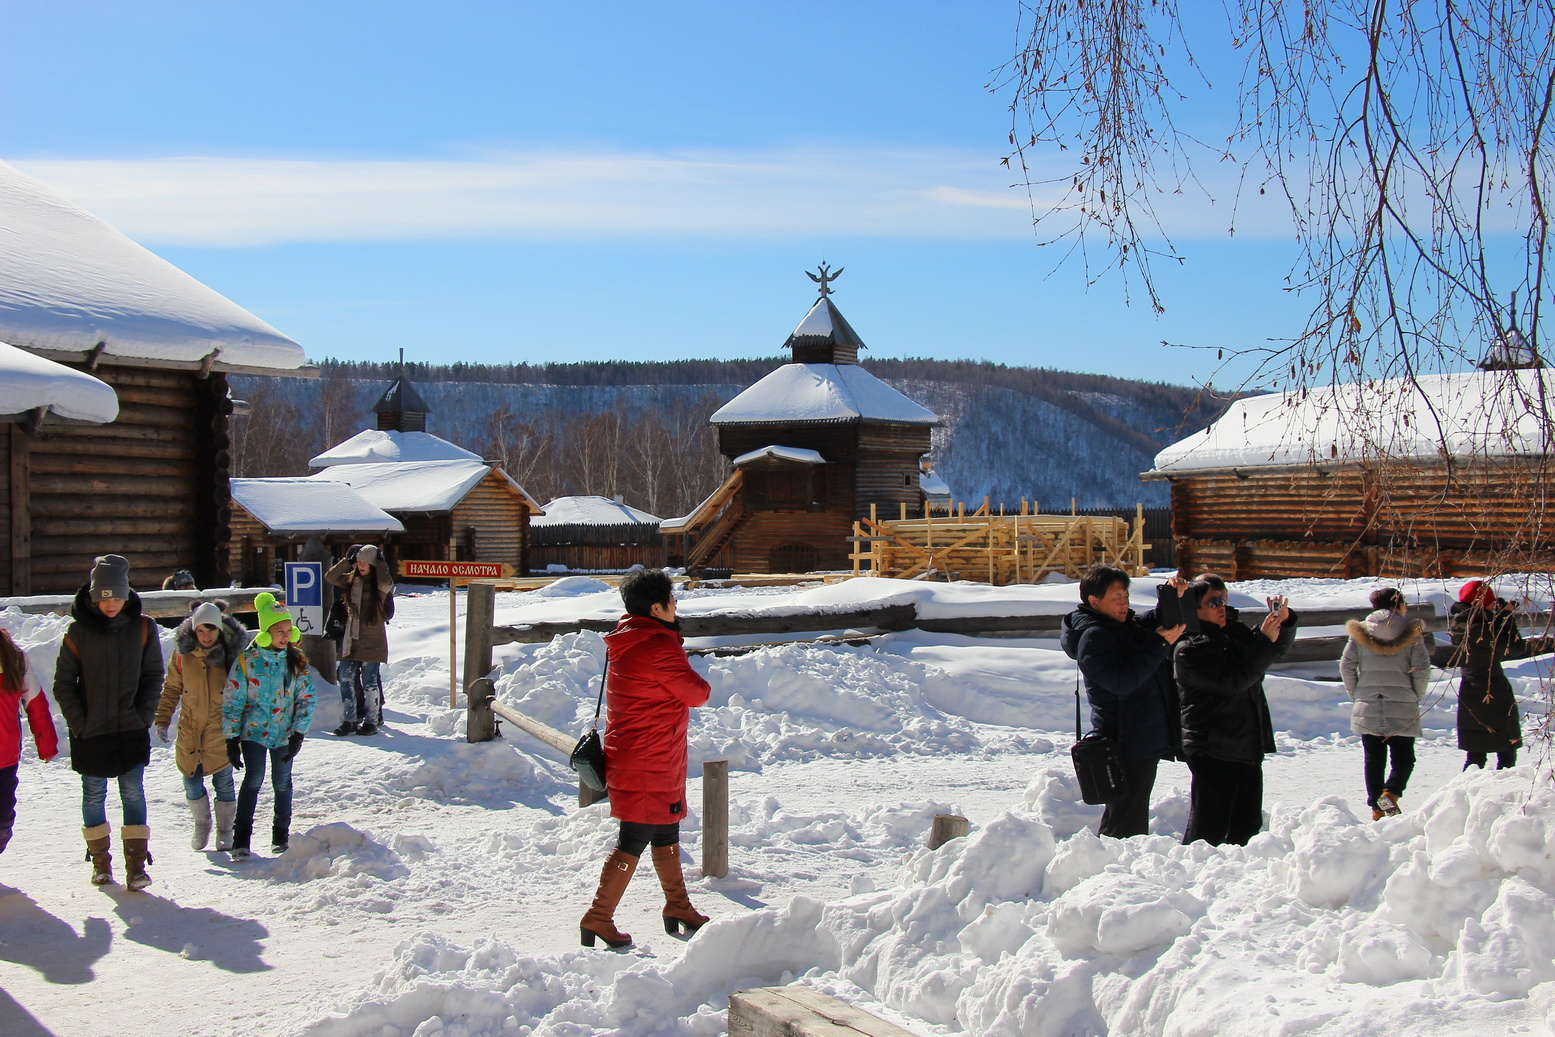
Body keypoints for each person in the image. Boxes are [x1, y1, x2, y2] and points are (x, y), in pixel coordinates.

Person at [580, 569, 712, 949]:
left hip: (643, 752)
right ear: (656, 607)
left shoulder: (629, 638)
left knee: (666, 830)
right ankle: (599, 916)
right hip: (649, 757)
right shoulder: (657, 646)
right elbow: (697, 692)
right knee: (634, 836)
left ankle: (678, 906)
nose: (676, 605)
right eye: (672, 600)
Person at [52, 554, 163, 889]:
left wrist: (143, 715)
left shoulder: (144, 628)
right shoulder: (78, 632)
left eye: (116, 597)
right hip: (92, 731)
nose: (111, 604)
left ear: (126, 595)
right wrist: (79, 723)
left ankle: (136, 868)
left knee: (132, 793)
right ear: (93, 597)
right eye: (104, 598)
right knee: (93, 794)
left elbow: (153, 675)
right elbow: (63, 683)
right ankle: (101, 864)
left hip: (130, 728)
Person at [1060, 565, 1187, 837]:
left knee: (1130, 811)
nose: (1124, 603)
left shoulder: (1120, 626)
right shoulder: (1095, 637)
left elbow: (1147, 624)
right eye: (1116, 598)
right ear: (1094, 601)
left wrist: (1170, 597)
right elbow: (1122, 682)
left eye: (1126, 596)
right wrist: (1158, 645)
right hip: (1124, 739)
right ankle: (1114, 869)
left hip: (1139, 736)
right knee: (1125, 818)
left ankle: (1116, 864)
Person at [1174, 580, 1298, 846]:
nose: (1221, 607)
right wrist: (1264, 640)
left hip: (1247, 743)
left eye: (1224, 600)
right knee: (1209, 831)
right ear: (1194, 609)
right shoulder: (1191, 647)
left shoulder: (1234, 632)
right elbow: (1234, 681)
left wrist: (1283, 625)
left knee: (1248, 828)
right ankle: (1194, 879)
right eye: (1213, 602)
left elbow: (1272, 650)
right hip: (1212, 748)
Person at [223, 592, 314, 859]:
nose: (285, 636)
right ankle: (241, 839)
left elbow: (307, 697)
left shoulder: (295, 660)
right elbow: (233, 699)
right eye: (278, 631)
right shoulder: (247, 660)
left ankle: (280, 835)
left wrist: (299, 731)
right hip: (254, 732)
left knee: (282, 783)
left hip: (284, 733)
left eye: (288, 630)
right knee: (253, 780)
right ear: (265, 632)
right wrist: (231, 738)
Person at [155, 600, 249, 851]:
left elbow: (246, 693)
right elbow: (172, 689)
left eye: (211, 630)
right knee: (191, 780)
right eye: (201, 631)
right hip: (191, 730)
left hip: (221, 730)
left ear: (219, 630)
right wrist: (162, 720)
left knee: (224, 781)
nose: (206, 636)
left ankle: (225, 830)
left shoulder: (232, 656)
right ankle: (202, 823)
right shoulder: (182, 655)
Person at [1340, 588, 1430, 819]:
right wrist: (1415, 695)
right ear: (1397, 604)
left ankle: (1376, 809)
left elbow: (1347, 665)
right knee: (1404, 758)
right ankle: (1391, 793)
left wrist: (1357, 694)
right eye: (1404, 603)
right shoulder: (1411, 633)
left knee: (1373, 758)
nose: (1406, 609)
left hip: (1368, 703)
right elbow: (1421, 669)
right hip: (1403, 703)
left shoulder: (1359, 632)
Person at [1449, 579, 1553, 771]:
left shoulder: (1460, 622)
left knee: (1476, 751)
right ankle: (1502, 787)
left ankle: (1466, 790)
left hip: (1469, 689)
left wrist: (1500, 617)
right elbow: (1513, 647)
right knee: (1506, 747)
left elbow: (1487, 633)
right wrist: (1507, 618)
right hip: (1492, 688)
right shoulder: (1480, 627)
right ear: (1481, 602)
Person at [1, 626, 59, 855]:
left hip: (4, 757)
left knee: (3, 820)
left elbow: (35, 702)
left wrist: (46, 744)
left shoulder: (13, 656)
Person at [325, 544, 392, 736]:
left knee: (369, 681)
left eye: (365, 562)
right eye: (359, 561)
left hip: (372, 640)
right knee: (345, 677)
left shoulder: (379, 586)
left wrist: (380, 563)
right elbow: (330, 577)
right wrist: (347, 560)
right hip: (350, 639)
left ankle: (372, 721)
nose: (361, 565)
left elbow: (387, 583)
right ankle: (350, 719)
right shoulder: (350, 581)